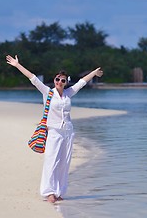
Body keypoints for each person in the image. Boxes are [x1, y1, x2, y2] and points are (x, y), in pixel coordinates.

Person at [6, 54, 103, 203]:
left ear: (65, 82)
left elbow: (82, 82)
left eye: (62, 80)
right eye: (57, 79)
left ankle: (59, 192)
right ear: (54, 80)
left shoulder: (68, 94)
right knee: (51, 162)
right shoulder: (47, 92)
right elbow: (33, 78)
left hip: (68, 132)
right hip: (54, 132)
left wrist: (94, 73)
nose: (59, 81)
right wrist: (17, 65)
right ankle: (49, 192)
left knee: (64, 163)